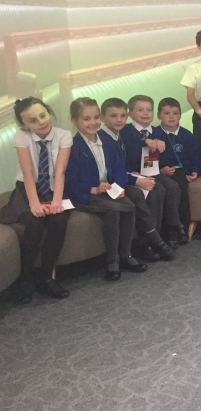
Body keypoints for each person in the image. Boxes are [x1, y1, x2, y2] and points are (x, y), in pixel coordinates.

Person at [65, 97, 147, 282]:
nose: (92, 122)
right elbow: (70, 181)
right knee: (115, 210)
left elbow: (119, 168)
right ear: (74, 121)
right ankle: (112, 260)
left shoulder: (108, 141)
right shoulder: (72, 146)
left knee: (128, 206)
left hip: (109, 190)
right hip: (87, 194)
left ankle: (125, 255)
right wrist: (93, 189)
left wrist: (117, 187)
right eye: (86, 119)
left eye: (95, 117)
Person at [0, 98, 71, 303]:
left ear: (48, 112)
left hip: (53, 188)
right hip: (28, 189)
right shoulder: (22, 137)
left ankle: (46, 276)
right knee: (34, 221)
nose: (40, 122)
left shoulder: (63, 135)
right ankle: (26, 278)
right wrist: (34, 204)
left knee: (59, 219)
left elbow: (60, 173)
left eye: (43, 115)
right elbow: (28, 173)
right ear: (24, 125)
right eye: (33, 120)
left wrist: (57, 201)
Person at [98, 98, 176, 263]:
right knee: (144, 192)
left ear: (127, 116)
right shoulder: (103, 139)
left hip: (124, 176)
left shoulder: (117, 135)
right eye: (113, 116)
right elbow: (110, 171)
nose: (119, 120)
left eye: (122, 116)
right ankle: (148, 240)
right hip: (111, 183)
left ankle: (153, 238)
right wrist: (135, 179)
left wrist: (133, 175)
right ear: (103, 117)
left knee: (158, 189)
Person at [123, 95, 185, 249]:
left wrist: (163, 167)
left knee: (172, 187)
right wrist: (145, 141)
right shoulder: (126, 131)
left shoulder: (157, 131)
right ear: (130, 114)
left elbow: (161, 156)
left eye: (149, 110)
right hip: (134, 172)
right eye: (140, 110)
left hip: (153, 171)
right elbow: (130, 153)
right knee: (157, 191)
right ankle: (151, 237)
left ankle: (170, 227)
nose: (145, 113)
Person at [154, 98, 201, 243]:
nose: (171, 116)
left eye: (175, 113)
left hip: (181, 169)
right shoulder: (154, 135)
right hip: (161, 171)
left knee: (180, 182)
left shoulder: (186, 135)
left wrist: (196, 171)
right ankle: (169, 227)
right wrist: (161, 170)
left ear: (180, 115)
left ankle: (182, 225)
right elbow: (148, 160)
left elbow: (196, 156)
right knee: (165, 188)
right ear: (159, 116)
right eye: (167, 113)